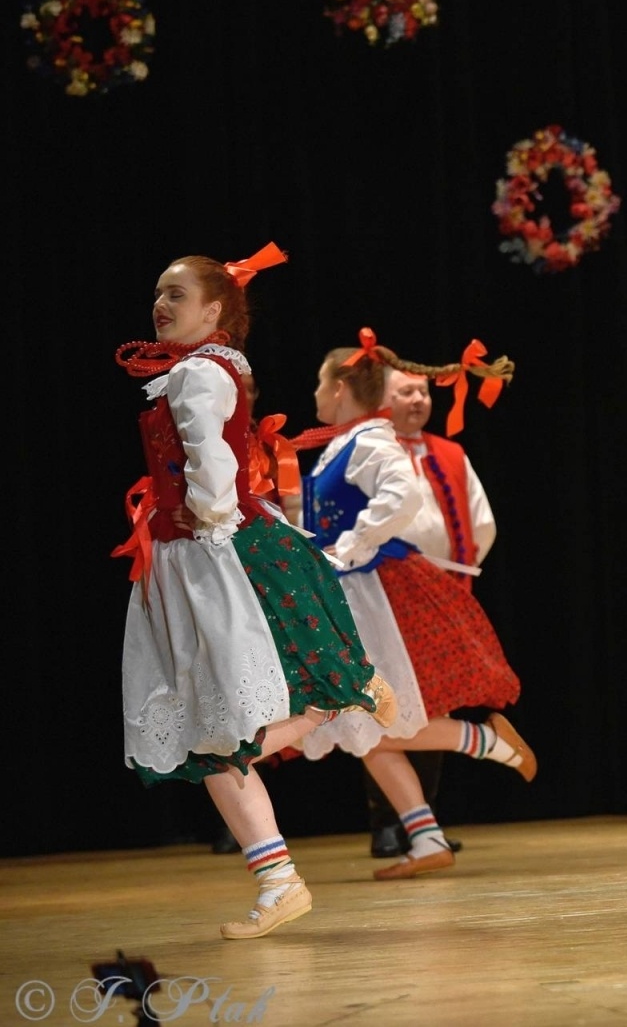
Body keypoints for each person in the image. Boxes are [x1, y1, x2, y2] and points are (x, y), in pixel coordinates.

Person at [117, 243, 396, 938]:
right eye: (158, 291)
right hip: (199, 554)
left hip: (218, 554)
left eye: (176, 294)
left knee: (211, 732)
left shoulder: (198, 376)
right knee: (203, 733)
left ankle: (340, 700)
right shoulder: (197, 370)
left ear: (214, 309)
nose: (162, 304)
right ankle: (278, 877)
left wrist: (204, 523)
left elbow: (211, 463)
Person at [292, 330, 537, 880]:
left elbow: (400, 497)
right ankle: (424, 837)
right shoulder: (343, 443)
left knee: (374, 716)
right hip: (356, 592)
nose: (313, 394)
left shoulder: (371, 441)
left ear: (338, 388)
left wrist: (351, 547)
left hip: (379, 592)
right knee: (366, 722)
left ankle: (483, 739)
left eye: (318, 383)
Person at [358, 364, 502, 857]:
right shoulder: (365, 451)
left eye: (422, 392)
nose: (418, 400)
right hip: (381, 595)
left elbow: (482, 523)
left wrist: (455, 578)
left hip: (440, 594)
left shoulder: (451, 454)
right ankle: (387, 822)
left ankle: (425, 821)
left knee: (435, 703)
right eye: (406, 392)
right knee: (384, 704)